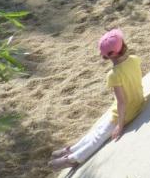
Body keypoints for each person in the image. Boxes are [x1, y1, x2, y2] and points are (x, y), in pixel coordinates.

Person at [49, 29, 144, 169]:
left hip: (125, 112)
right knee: (98, 129)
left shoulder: (114, 75)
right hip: (137, 102)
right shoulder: (135, 59)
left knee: (98, 137)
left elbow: (121, 102)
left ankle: (73, 159)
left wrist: (120, 124)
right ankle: (71, 149)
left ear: (105, 57)